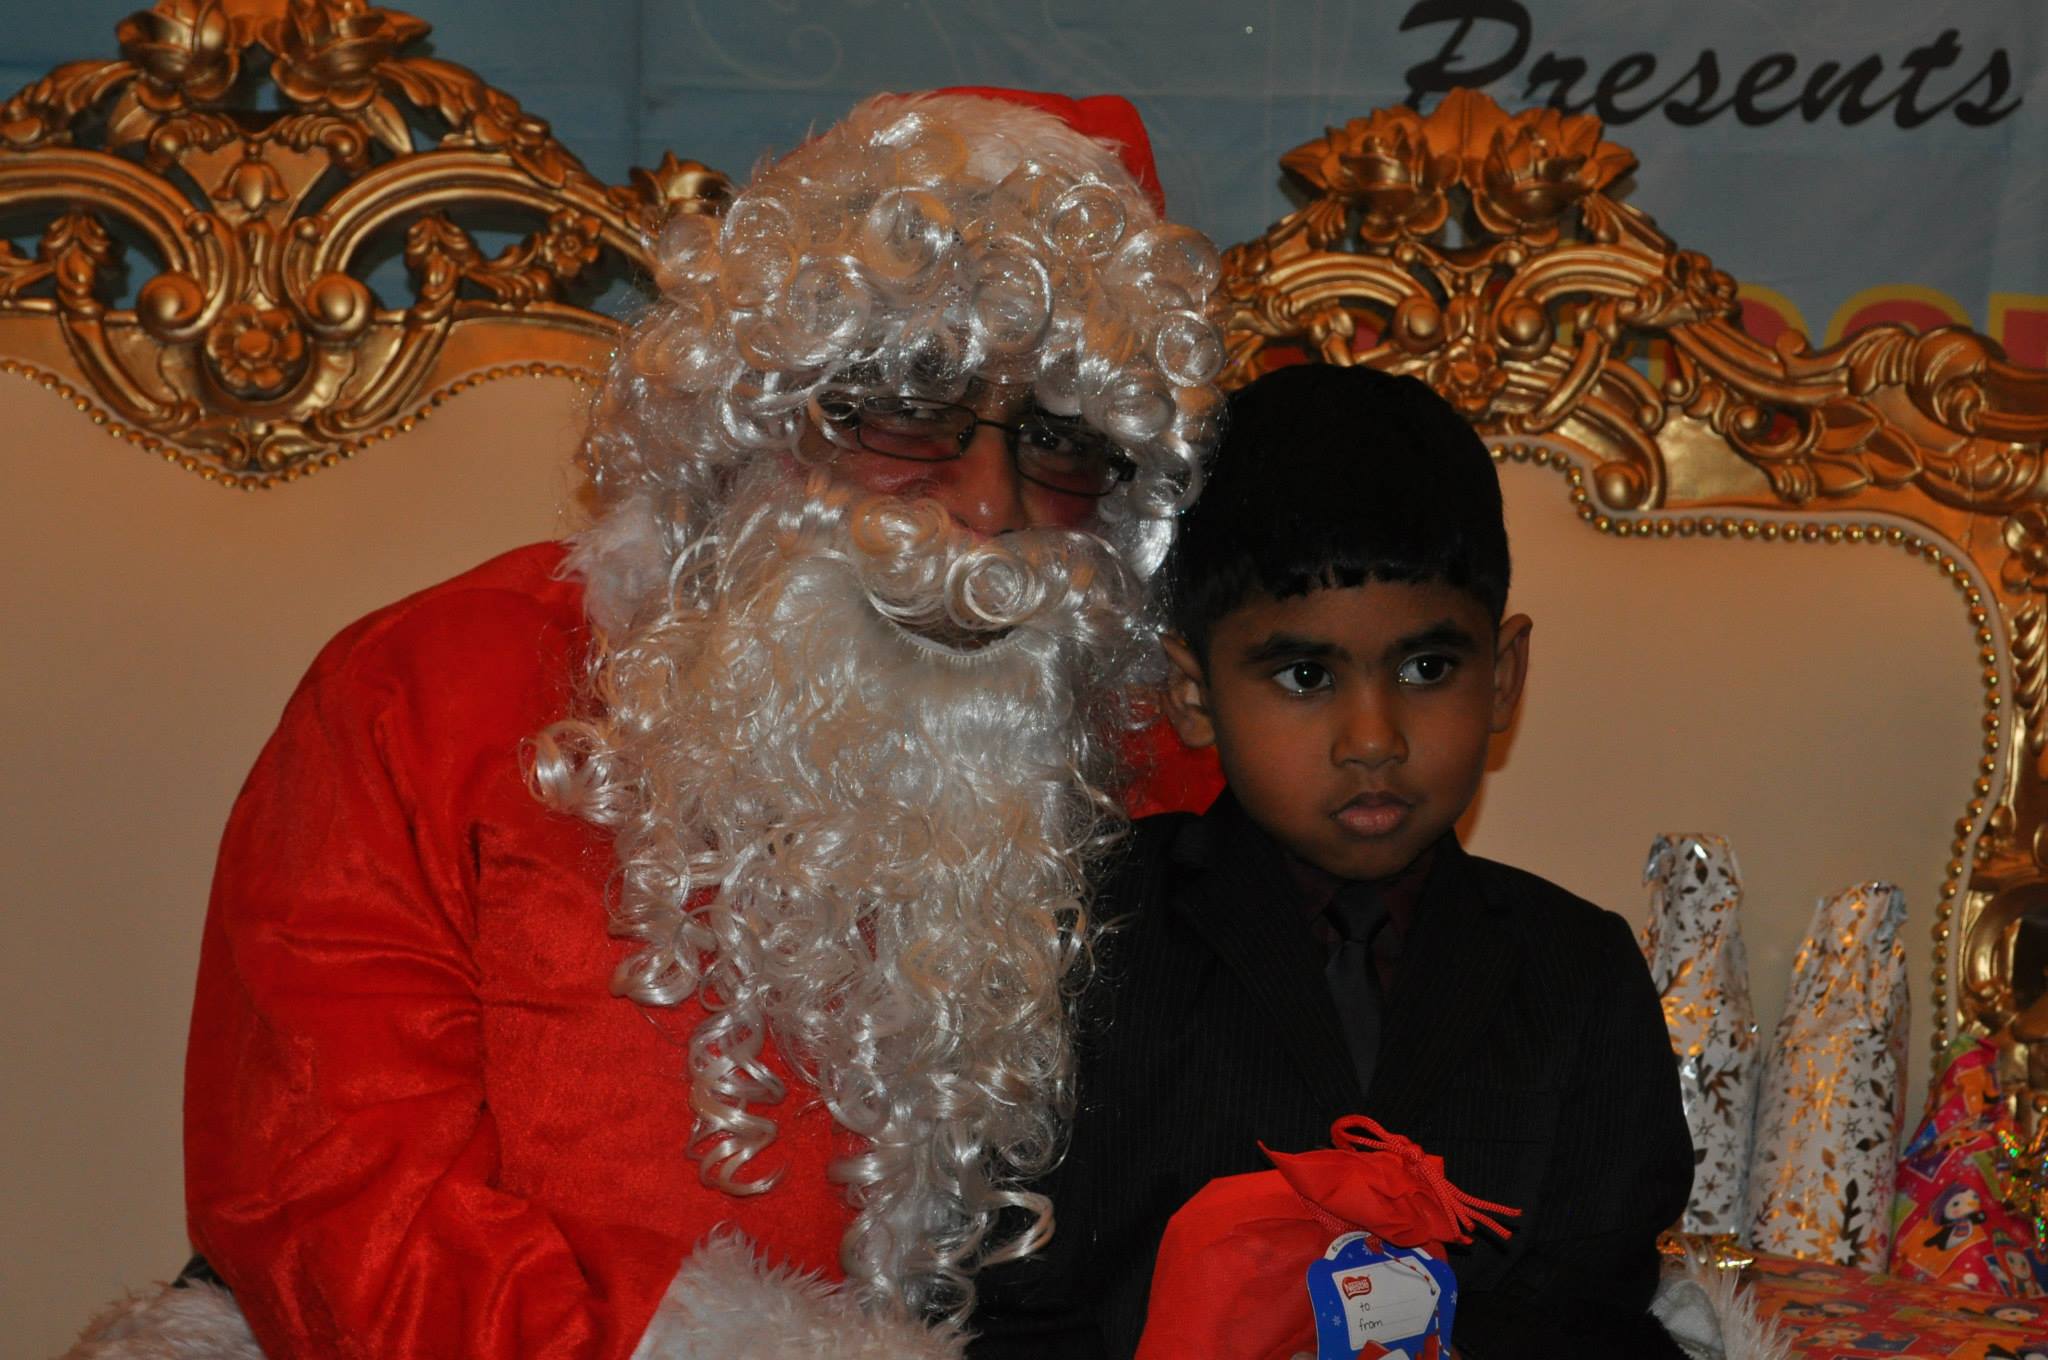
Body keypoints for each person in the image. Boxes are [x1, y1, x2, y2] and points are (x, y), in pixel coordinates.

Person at [67, 90, 1224, 1360]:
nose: (987, 505)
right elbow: (339, 1212)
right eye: (905, 401)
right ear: (760, 403)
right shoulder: (426, 693)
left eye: (1061, 443)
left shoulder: (1159, 772)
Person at [969, 363, 1694, 1359]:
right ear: (1193, 694)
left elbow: (1595, 1308)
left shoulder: (1580, 972)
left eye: (1427, 668)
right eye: (1306, 675)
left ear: (1502, 676)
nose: (1372, 738)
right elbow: (1011, 1305)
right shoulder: (1080, 944)